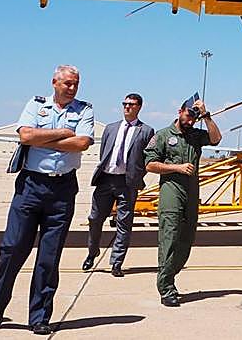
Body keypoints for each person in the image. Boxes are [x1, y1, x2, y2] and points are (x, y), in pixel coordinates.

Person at [0, 65, 94, 335]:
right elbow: (25, 135)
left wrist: (41, 140)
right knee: (12, 249)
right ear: (54, 82)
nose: (72, 88)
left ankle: (40, 316)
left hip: (63, 189)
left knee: (49, 257)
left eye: (76, 83)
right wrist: (63, 134)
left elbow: (82, 143)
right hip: (31, 186)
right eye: (67, 83)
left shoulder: (85, 110)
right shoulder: (36, 105)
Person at [143, 97, 221, 306]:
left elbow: (215, 139)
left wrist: (206, 115)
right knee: (169, 237)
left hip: (192, 193)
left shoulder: (195, 135)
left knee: (187, 238)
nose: (190, 121)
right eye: (188, 115)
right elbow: (150, 164)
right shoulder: (163, 135)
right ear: (180, 111)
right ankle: (166, 287)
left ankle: (170, 274)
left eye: (194, 118)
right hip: (172, 191)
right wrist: (176, 168)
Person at [83, 93, 155, 277]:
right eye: (125, 104)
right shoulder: (110, 128)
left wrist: (137, 176)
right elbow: (104, 153)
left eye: (131, 104)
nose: (127, 107)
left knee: (124, 224)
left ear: (139, 107)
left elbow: (147, 158)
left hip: (127, 184)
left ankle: (116, 262)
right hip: (106, 180)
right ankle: (92, 252)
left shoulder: (146, 131)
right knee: (95, 218)